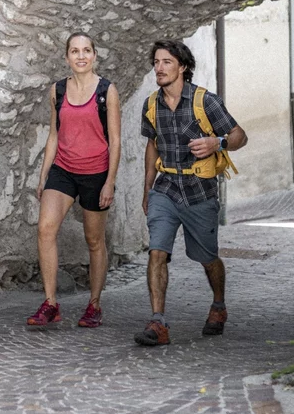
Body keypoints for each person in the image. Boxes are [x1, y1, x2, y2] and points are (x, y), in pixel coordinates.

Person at [134, 39, 247, 347]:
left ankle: (219, 305)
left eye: (166, 62)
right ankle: (158, 323)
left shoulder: (205, 101)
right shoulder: (151, 105)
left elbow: (240, 136)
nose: (159, 67)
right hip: (166, 189)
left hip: (200, 191)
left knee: (207, 257)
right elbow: (152, 145)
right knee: (157, 252)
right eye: (156, 62)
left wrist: (217, 143)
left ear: (182, 67)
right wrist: (147, 188)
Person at [27, 32, 122, 329]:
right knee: (45, 229)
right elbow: (54, 135)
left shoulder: (108, 91)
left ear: (94, 55)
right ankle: (51, 303)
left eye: (86, 51)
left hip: (96, 173)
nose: (81, 56)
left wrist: (109, 182)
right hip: (63, 170)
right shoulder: (57, 90)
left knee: (94, 241)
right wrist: (44, 175)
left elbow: (116, 141)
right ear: (67, 57)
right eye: (74, 51)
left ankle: (94, 305)